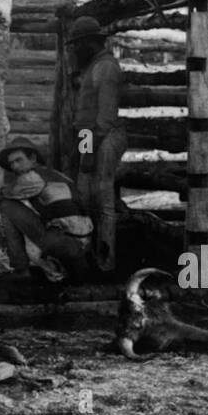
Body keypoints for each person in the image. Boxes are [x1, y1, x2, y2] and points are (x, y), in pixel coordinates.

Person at [0, 136, 92, 283]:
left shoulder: (31, 178)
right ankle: (65, 267)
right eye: (11, 164)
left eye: (19, 160)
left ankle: (21, 269)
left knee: (6, 205)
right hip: (83, 240)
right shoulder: (57, 175)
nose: (15, 167)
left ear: (33, 158)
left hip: (66, 241)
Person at [67, 16, 127, 273]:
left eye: (77, 45)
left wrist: (90, 151)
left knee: (102, 198)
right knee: (84, 194)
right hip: (88, 137)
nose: (74, 50)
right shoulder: (93, 66)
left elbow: (105, 118)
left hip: (104, 138)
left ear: (89, 43)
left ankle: (107, 261)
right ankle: (89, 254)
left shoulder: (106, 67)